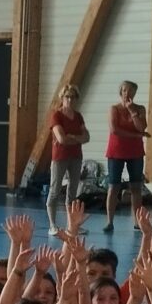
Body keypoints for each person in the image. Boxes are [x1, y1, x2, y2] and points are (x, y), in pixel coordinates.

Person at [102, 80, 147, 232]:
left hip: (135, 152)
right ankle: (109, 221)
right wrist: (136, 135)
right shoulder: (113, 109)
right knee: (114, 186)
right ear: (120, 92)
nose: (127, 93)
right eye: (125, 90)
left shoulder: (140, 109)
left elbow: (142, 127)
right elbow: (114, 130)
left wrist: (132, 111)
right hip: (116, 151)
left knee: (136, 186)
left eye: (131, 91)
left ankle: (137, 221)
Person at [46, 83, 88, 220]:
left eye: (73, 97)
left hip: (76, 156)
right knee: (55, 189)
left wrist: (73, 137)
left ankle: (72, 224)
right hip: (60, 157)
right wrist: (77, 139)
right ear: (62, 98)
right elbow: (61, 139)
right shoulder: (56, 115)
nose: (70, 100)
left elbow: (86, 137)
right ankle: (52, 224)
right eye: (67, 97)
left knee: (73, 191)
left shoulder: (78, 116)